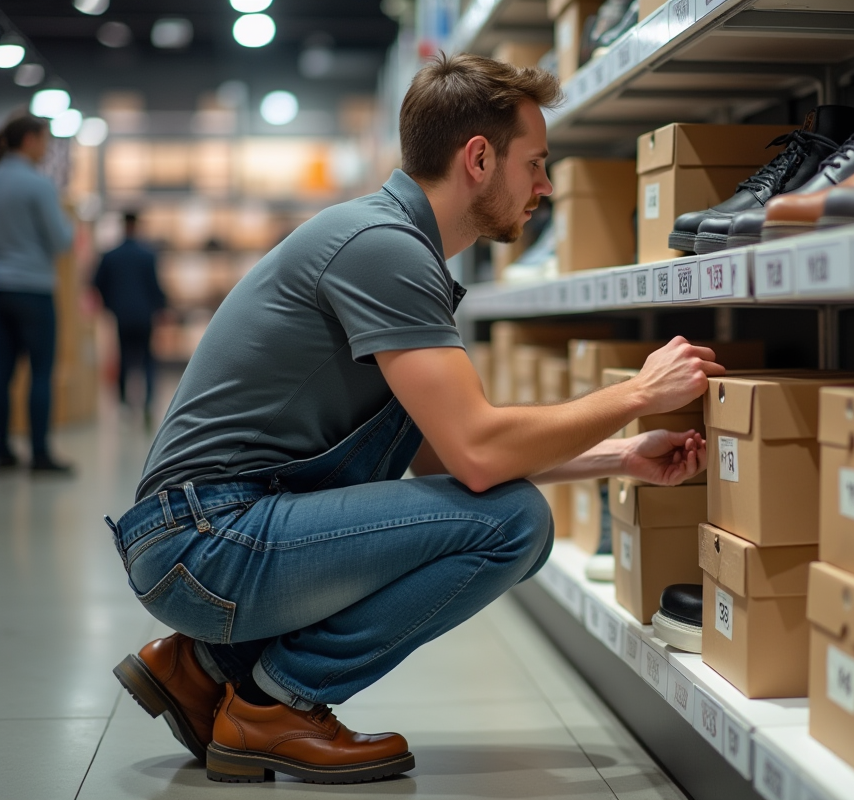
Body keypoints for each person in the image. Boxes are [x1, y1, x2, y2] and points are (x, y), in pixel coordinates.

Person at [106, 53, 724, 786]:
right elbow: (479, 455)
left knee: (500, 510)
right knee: (518, 524)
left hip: (206, 533)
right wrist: (635, 394)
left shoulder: (393, 244)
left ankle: (204, 669)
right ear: (478, 159)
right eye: (535, 164)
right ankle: (275, 705)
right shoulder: (384, 249)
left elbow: (444, 462)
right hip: (205, 540)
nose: (546, 187)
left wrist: (617, 457)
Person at [0, 113, 74, 473]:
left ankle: (2, 451)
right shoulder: (38, 185)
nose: (46, 149)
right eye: (45, 141)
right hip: (33, 289)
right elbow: (61, 240)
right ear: (29, 140)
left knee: (2, 374)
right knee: (41, 373)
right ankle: (40, 453)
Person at [93, 212, 166, 425]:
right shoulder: (148, 254)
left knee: (124, 357)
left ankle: (125, 405)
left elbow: (97, 283)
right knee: (147, 359)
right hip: (145, 314)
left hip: (121, 314)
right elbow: (155, 286)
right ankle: (148, 404)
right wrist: (161, 307)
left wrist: (109, 304)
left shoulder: (111, 255)